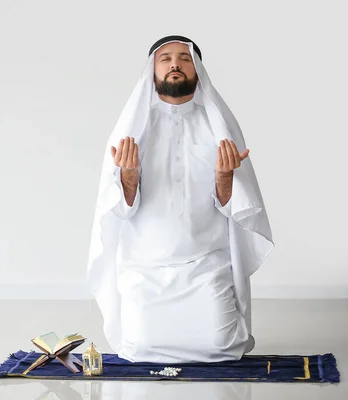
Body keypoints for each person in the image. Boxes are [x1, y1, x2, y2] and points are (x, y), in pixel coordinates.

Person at [86, 35, 275, 364]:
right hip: (145, 267)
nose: (175, 64)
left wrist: (224, 176)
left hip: (205, 264)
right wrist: (129, 174)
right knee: (138, 349)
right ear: (153, 72)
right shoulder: (132, 130)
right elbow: (119, 210)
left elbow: (236, 208)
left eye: (184, 58)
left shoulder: (217, 127)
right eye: (166, 59)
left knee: (223, 348)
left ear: (197, 70)